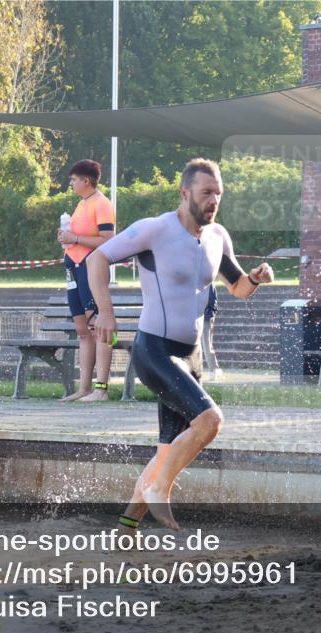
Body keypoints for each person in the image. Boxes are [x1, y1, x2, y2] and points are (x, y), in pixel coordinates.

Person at [88, 158, 274, 530]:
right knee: (210, 421)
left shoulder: (218, 237)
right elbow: (98, 257)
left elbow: (237, 288)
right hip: (155, 350)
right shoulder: (155, 230)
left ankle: (126, 529)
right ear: (185, 192)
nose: (213, 201)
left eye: (218, 194)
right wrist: (105, 312)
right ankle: (161, 489)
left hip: (191, 357)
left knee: (166, 453)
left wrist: (254, 279)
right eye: (207, 193)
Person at [56, 159, 116, 403]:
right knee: (82, 330)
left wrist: (76, 238)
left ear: (86, 180)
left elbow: (109, 239)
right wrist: (67, 238)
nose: (70, 183)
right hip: (73, 267)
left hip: (91, 268)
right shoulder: (82, 204)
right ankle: (83, 388)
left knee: (97, 327)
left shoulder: (102, 203)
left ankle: (101, 388)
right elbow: (77, 236)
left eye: (73, 179)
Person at [202, 283, 223, 381]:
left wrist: (208, 314)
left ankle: (213, 370)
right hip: (194, 317)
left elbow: (213, 303)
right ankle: (215, 368)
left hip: (206, 317)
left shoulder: (209, 283)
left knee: (207, 344)